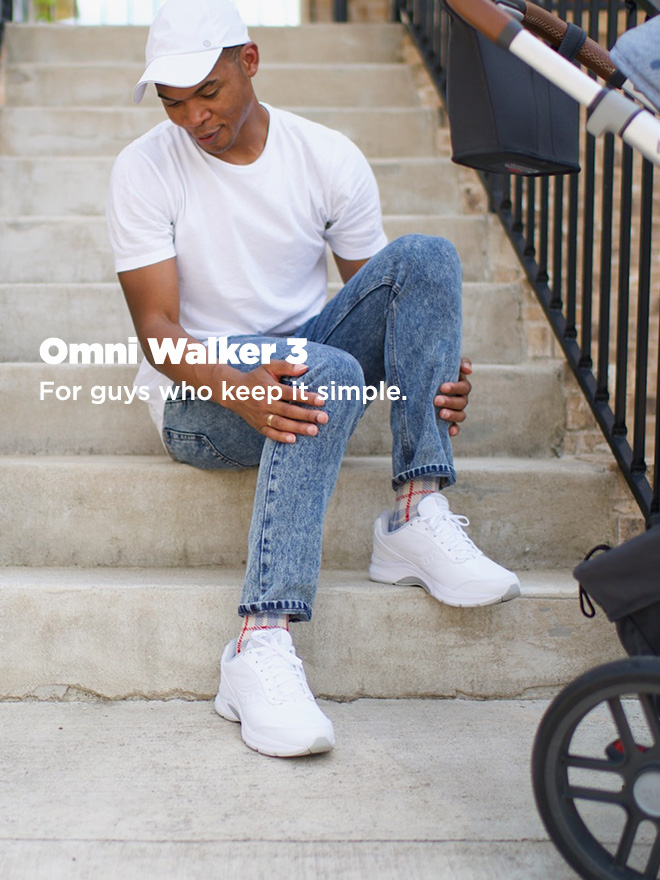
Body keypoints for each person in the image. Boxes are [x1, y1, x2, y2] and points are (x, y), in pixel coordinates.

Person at [107, 0, 520, 759]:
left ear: (249, 61)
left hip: (311, 366)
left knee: (425, 258)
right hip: (201, 398)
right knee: (323, 370)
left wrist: (425, 374)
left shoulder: (325, 155)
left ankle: (415, 511)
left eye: (207, 93)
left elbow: (393, 303)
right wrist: (241, 387)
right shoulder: (143, 170)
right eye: (173, 104)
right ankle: (258, 644)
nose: (194, 118)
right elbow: (161, 336)